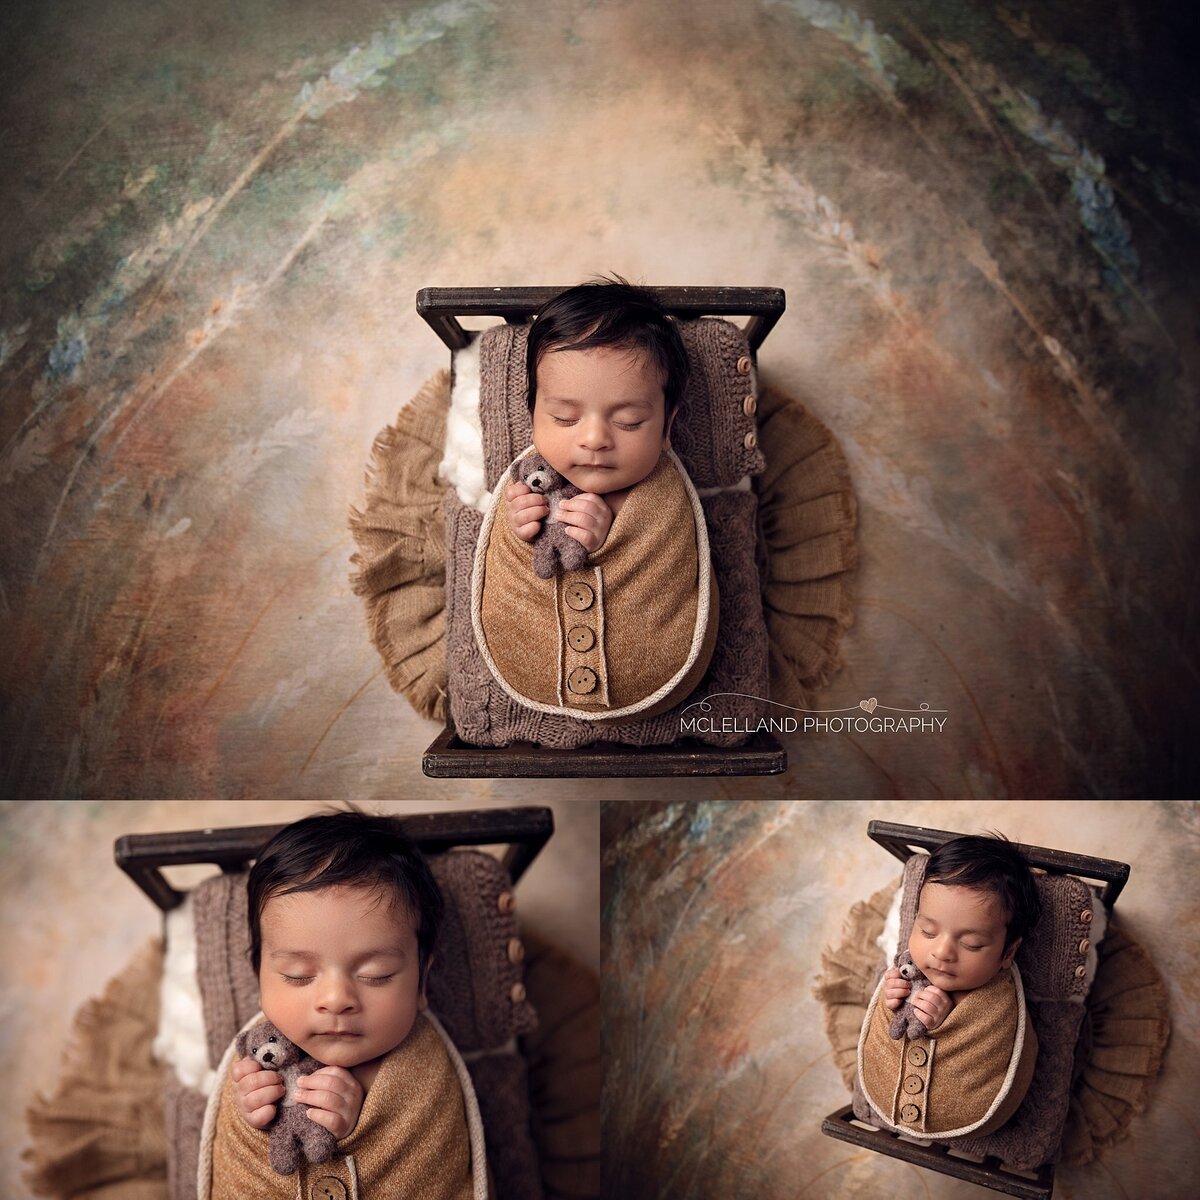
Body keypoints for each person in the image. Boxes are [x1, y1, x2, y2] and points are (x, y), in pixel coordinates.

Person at [207, 811, 476, 1198]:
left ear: (422, 981)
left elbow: (434, 1167)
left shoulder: (423, 1070)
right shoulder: (259, 1053)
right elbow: (240, 1163)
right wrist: (253, 1114)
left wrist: (359, 1127)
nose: (336, 1000)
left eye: (376, 974)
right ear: (259, 977)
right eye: (298, 974)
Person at [504, 275, 690, 545]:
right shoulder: (527, 482)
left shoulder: (665, 501)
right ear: (533, 417)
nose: (594, 440)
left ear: (667, 427)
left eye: (628, 421)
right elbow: (499, 560)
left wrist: (608, 544)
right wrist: (519, 530)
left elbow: (672, 565)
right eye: (565, 418)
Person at [884, 834, 1042, 1031]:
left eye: (971, 944)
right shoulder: (906, 968)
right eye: (928, 932)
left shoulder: (997, 1007)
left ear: (1008, 952)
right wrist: (892, 999)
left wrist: (946, 1026)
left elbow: (998, 1046)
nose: (942, 952)